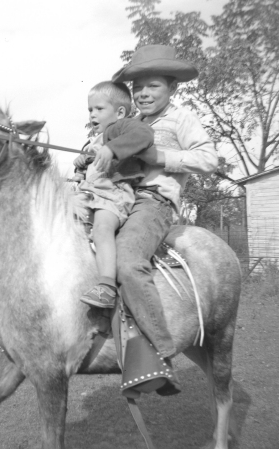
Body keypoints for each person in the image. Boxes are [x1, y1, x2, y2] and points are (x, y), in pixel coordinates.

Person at [111, 45, 218, 394]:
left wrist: (160, 157)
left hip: (154, 202)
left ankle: (162, 351)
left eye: (152, 85)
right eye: (138, 87)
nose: (142, 93)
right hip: (119, 199)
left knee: (127, 262)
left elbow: (208, 159)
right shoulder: (129, 123)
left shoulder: (181, 118)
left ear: (171, 88)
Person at [72, 81, 155, 309]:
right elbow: (87, 170)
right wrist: (82, 163)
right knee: (61, 217)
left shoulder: (120, 128)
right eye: (90, 110)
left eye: (99, 109)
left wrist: (112, 149)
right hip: (90, 194)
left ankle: (107, 287)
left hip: (113, 194)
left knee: (102, 229)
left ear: (119, 112)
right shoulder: (93, 141)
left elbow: (144, 134)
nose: (92, 115)